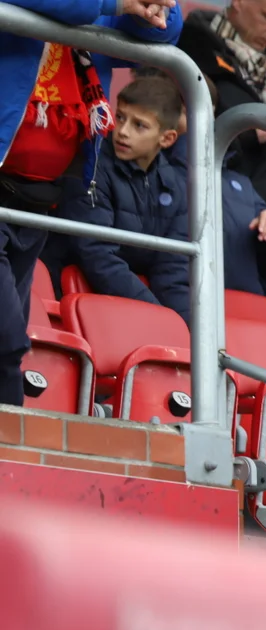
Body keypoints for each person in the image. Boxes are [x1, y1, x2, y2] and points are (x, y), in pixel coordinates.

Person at [0, 0, 181, 407]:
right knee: (6, 339)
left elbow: (166, 30)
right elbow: (73, 8)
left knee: (9, 347)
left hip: (40, 202)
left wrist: (153, 5)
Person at [178, 0, 266, 330]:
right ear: (237, 3)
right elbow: (175, 134)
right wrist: (258, 131)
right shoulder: (189, 51)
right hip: (219, 222)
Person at [143, 70, 266, 302]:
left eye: (211, 114)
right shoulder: (153, 174)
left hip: (245, 312)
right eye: (190, 113)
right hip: (186, 307)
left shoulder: (239, 183)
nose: (207, 124)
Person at [54, 76, 191, 323]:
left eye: (139, 125)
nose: (122, 131)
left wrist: (188, 333)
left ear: (167, 138)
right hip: (70, 302)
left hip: (122, 307)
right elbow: (97, 256)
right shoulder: (90, 165)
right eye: (120, 117)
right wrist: (158, 316)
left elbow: (172, 272)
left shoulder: (175, 186)